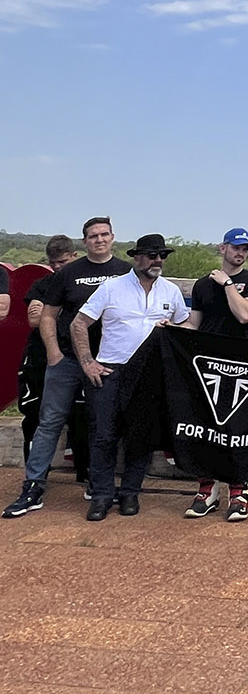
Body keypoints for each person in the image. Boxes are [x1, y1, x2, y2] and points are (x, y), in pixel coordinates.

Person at [3, 218, 130, 519]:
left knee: (101, 425)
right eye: (93, 236)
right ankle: (33, 486)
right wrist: (54, 354)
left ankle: (98, 484)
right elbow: (47, 316)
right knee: (49, 422)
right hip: (68, 360)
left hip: (107, 361)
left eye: (104, 234)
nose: (99, 240)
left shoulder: (125, 272)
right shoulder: (68, 273)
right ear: (84, 242)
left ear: (113, 237)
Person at [72, 234, 190, 521]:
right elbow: (79, 323)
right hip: (111, 369)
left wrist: (175, 329)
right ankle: (101, 496)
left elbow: (186, 323)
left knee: (140, 437)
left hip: (149, 373)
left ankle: (130, 493)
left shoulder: (171, 291)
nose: (157, 260)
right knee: (103, 435)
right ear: (137, 257)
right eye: (152, 255)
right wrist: (87, 362)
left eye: (162, 255)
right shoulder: (111, 287)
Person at [181, 227, 248, 523]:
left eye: (245, 249)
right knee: (205, 427)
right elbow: (195, 324)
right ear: (223, 248)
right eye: (236, 247)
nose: (240, 253)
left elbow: (245, 314)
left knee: (237, 430)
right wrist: (172, 328)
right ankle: (207, 490)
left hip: (240, 366)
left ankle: (238, 492)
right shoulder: (202, 285)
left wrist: (228, 284)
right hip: (207, 365)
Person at [4, 237, 83, 517]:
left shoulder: (85, 280)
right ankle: (34, 481)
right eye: (54, 263)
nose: (59, 267)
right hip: (43, 358)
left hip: (83, 356)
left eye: (64, 261)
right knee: (39, 420)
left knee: (84, 417)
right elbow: (34, 320)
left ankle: (87, 475)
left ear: (74, 256)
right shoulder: (43, 283)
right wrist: (69, 312)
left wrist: (54, 312)